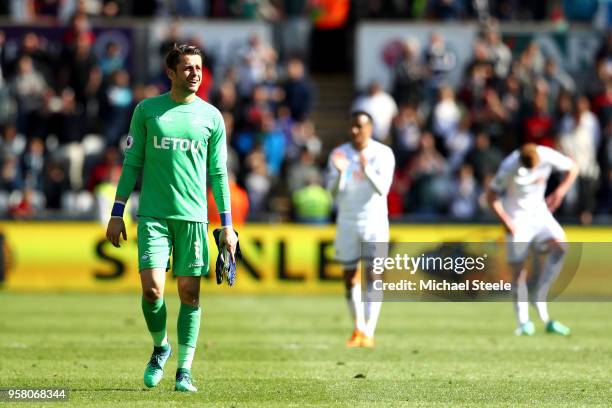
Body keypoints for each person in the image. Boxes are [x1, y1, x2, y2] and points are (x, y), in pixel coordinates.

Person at [105, 44, 238, 392]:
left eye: (199, 68)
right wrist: (117, 213)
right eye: (188, 68)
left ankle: (184, 371)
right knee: (152, 291)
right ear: (171, 72)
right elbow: (131, 164)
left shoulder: (211, 117)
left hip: (194, 219)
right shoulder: (148, 110)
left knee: (190, 294)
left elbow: (219, 175)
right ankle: (160, 347)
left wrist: (227, 226)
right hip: (153, 216)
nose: (195, 73)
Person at [486, 143, 578, 336]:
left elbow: (573, 168)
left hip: (540, 214)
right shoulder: (508, 165)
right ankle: (523, 322)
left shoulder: (547, 155)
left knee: (561, 246)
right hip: (516, 219)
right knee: (518, 272)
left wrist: (560, 192)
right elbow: (491, 196)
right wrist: (506, 222)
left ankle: (539, 296)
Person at [326, 111, 395, 348]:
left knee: (374, 274)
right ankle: (359, 328)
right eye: (352, 126)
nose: (355, 131)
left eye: (359, 127)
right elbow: (332, 193)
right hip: (347, 220)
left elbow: (383, 189)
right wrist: (340, 173)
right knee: (349, 275)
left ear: (370, 129)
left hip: (375, 221)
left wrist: (367, 170)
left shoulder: (383, 153)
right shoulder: (339, 154)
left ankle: (370, 331)